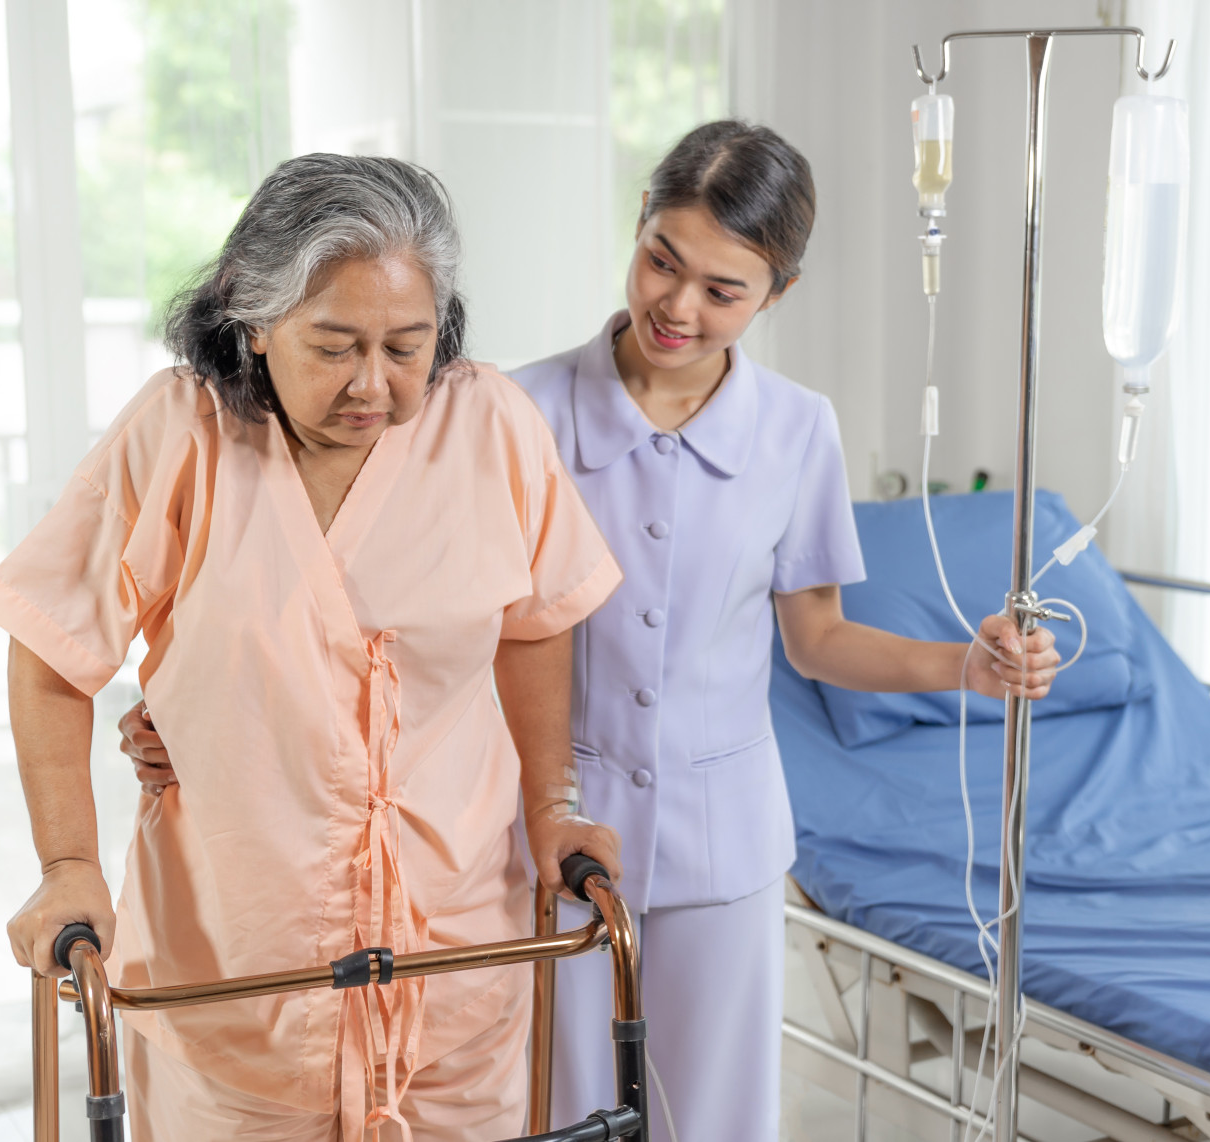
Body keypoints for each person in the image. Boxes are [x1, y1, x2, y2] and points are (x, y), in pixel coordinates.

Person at [120, 122, 1060, 1141]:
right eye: (663, 259)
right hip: (533, 832)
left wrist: (962, 665)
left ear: (776, 295)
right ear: (640, 229)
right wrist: (207, 711)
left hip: (724, 834)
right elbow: (360, 605)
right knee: (558, 1110)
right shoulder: (512, 406)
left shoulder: (798, 430)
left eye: (722, 288)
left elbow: (817, 639)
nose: (678, 304)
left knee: (715, 1117)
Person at [0, 154, 623, 1142]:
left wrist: (551, 805)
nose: (375, 383)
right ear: (253, 320)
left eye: (407, 345)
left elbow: (535, 623)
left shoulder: (485, 422)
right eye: (335, 346)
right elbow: (53, 650)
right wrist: (68, 860)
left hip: (455, 955)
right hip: (241, 961)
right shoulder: (180, 433)